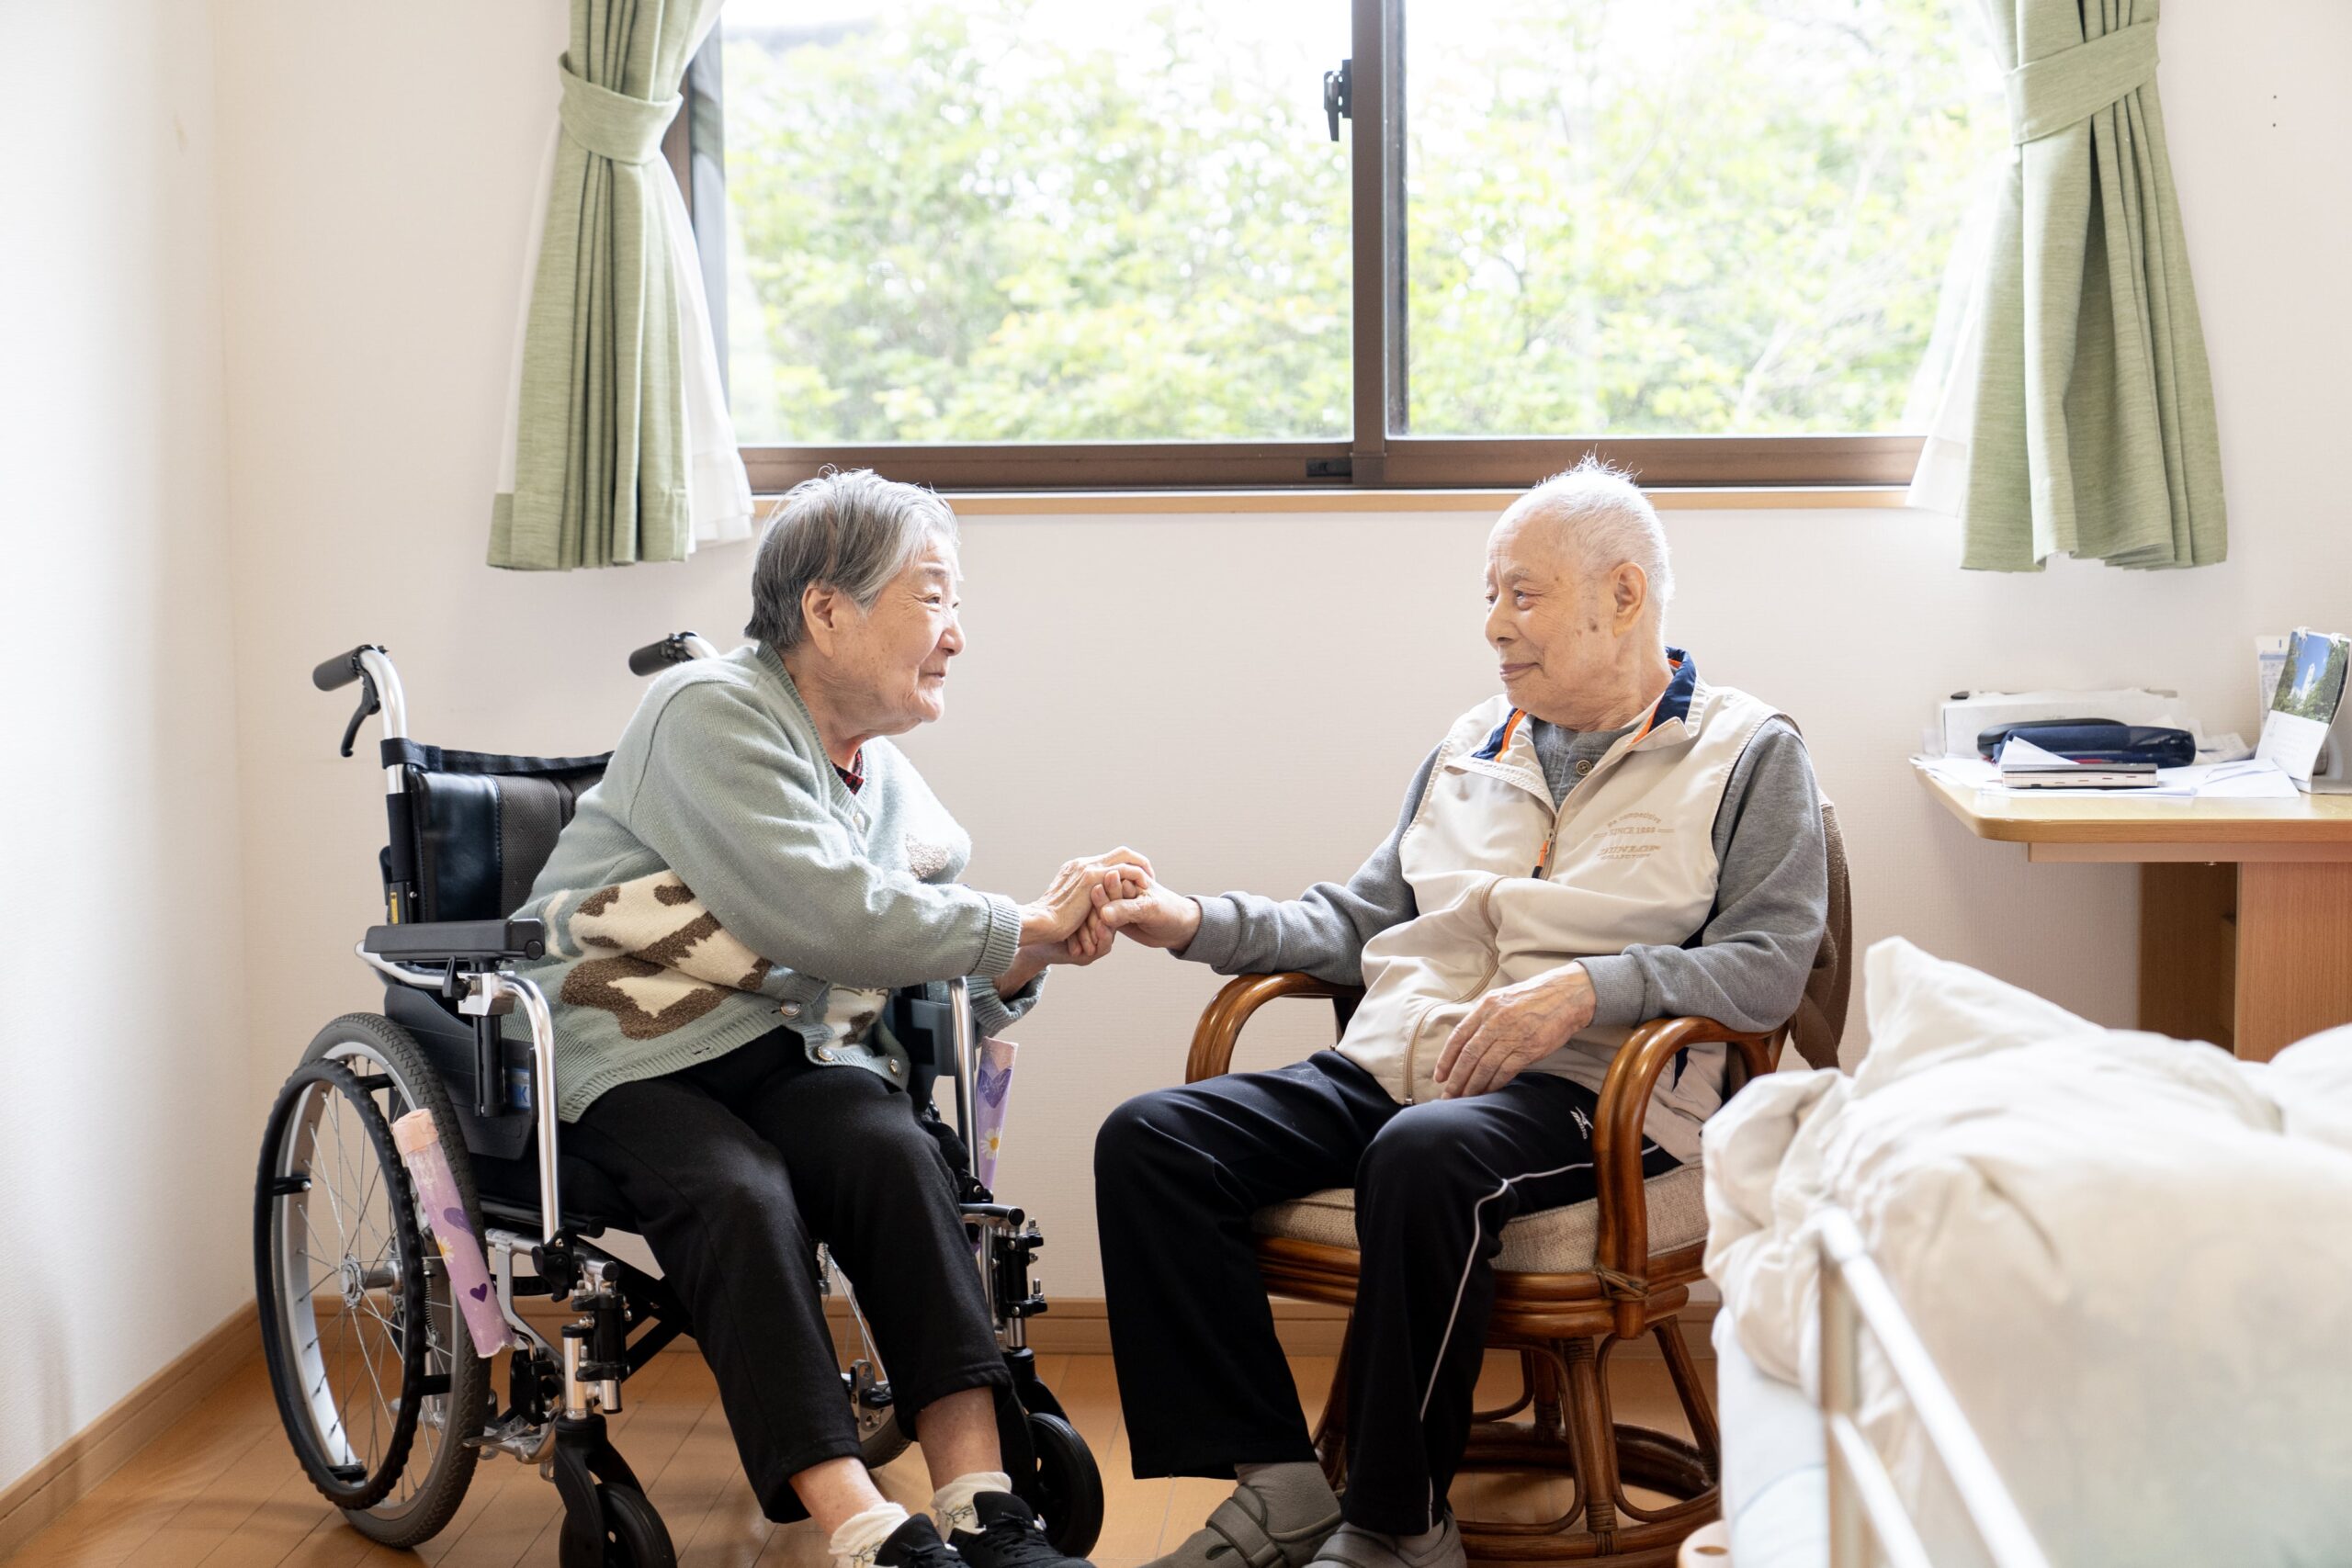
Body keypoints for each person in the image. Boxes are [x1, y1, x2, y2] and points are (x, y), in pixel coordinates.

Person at [1088, 460, 1829, 1568]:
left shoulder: (1745, 751)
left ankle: (1394, 1520)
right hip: (1400, 1059)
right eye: (1489, 594)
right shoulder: (1473, 742)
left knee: (1425, 1157)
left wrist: (1591, 986)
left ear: (1622, 596)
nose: (1492, 625)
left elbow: (1770, 967)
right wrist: (1189, 918)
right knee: (1152, 1142)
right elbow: (1355, 922)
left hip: (1590, 1092)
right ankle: (1281, 1481)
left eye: (1518, 595)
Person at [514, 469, 1138, 1568]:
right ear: (826, 608)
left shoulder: (888, 780)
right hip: (631, 1042)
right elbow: (827, 915)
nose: (957, 635)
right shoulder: (707, 710)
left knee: (893, 1149)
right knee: (736, 1188)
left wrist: (1034, 952)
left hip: (784, 1047)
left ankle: (984, 1505)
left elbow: (918, 957)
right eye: (934, 598)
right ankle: (862, 1527)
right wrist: (1022, 921)